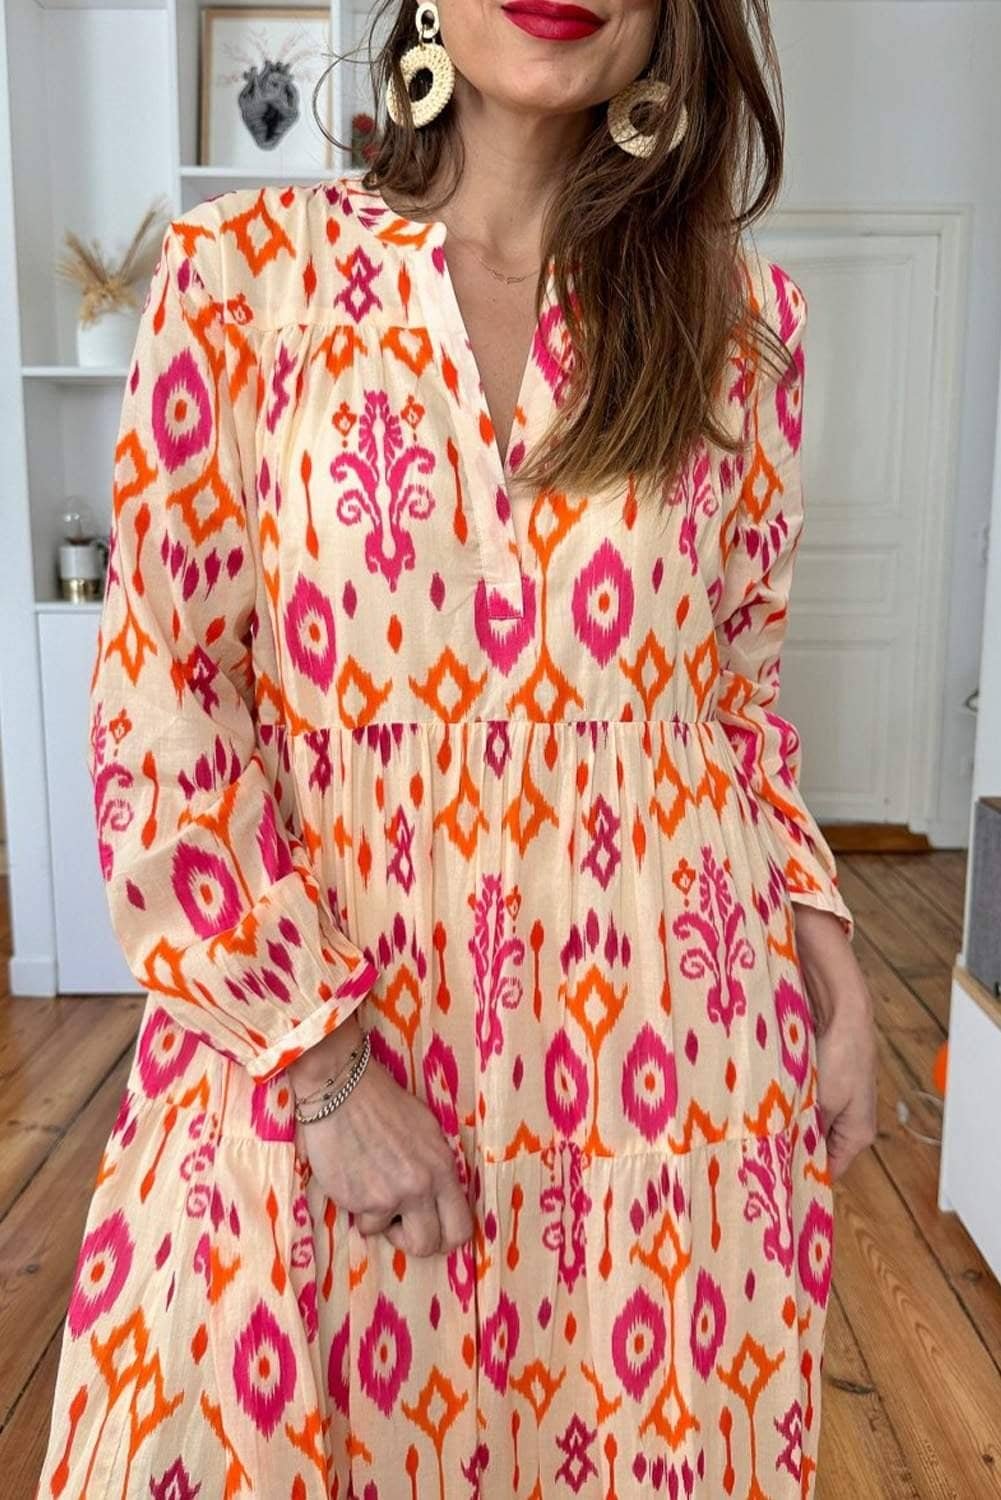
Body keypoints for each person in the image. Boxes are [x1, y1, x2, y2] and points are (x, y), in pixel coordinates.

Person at [35, 0, 878, 1494]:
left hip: (662, 1079)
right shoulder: (243, 283)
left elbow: (736, 698)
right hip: (320, 1059)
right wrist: (321, 1071)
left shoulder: (741, 325)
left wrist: (829, 944)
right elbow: (167, 700)